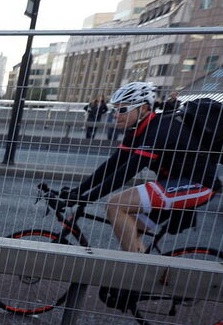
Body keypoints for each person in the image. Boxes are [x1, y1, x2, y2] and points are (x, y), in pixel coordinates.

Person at [56, 81, 218, 265]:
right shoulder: (138, 129)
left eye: (123, 110)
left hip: (198, 185)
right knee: (130, 230)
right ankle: (145, 280)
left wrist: (88, 197)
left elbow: (126, 173)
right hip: (174, 184)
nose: (116, 115)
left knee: (115, 205)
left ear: (143, 108)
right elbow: (112, 165)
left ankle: (133, 273)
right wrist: (78, 191)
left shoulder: (160, 129)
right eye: (114, 109)